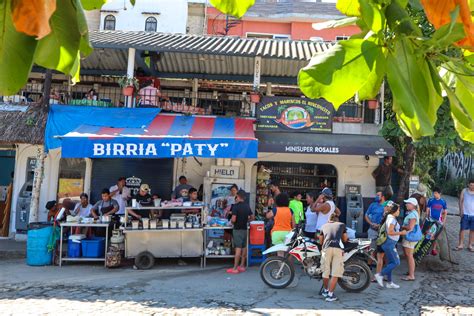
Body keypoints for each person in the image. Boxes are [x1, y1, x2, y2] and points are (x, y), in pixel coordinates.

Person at [374, 202, 407, 289]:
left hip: (389, 243)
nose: (399, 211)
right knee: (396, 262)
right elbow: (390, 232)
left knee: (391, 262)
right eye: (399, 210)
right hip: (390, 243)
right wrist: (401, 232)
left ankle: (389, 282)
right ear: (395, 211)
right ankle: (380, 275)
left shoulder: (390, 217)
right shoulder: (392, 219)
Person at [319, 213, 348, 302]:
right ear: (337, 220)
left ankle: (326, 290)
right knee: (335, 273)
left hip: (326, 248)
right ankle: (330, 295)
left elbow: (321, 241)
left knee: (325, 271)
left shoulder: (323, 226)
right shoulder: (341, 225)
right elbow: (345, 238)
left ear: (329, 220)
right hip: (337, 249)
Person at [227, 190, 254, 274]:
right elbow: (252, 217)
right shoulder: (247, 206)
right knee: (244, 247)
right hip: (245, 229)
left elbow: (233, 219)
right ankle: (242, 266)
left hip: (237, 229)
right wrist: (246, 220)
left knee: (238, 249)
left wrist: (231, 221)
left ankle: (235, 268)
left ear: (238, 196)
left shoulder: (236, 206)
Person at [401, 198, 420, 281]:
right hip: (409, 237)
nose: (406, 204)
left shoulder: (412, 215)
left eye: (408, 203)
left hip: (410, 237)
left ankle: (411, 275)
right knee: (408, 255)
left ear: (412, 205)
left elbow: (410, 227)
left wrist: (402, 226)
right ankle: (410, 272)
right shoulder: (413, 213)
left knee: (409, 256)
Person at [426, 187, 448, 256]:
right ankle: (426, 249)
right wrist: (427, 217)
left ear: (440, 193)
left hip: (438, 221)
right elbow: (428, 209)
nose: (434, 194)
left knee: (436, 235)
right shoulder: (431, 200)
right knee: (429, 235)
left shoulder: (443, 201)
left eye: (436, 193)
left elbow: (445, 211)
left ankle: (434, 249)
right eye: (434, 193)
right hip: (431, 220)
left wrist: (443, 221)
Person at [456, 179, 474, 251]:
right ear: (468, 184)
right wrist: (461, 211)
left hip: (473, 215)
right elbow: (460, 201)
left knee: (472, 230)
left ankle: (470, 245)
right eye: (471, 185)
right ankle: (461, 244)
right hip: (465, 213)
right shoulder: (464, 191)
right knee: (462, 229)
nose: (472, 187)